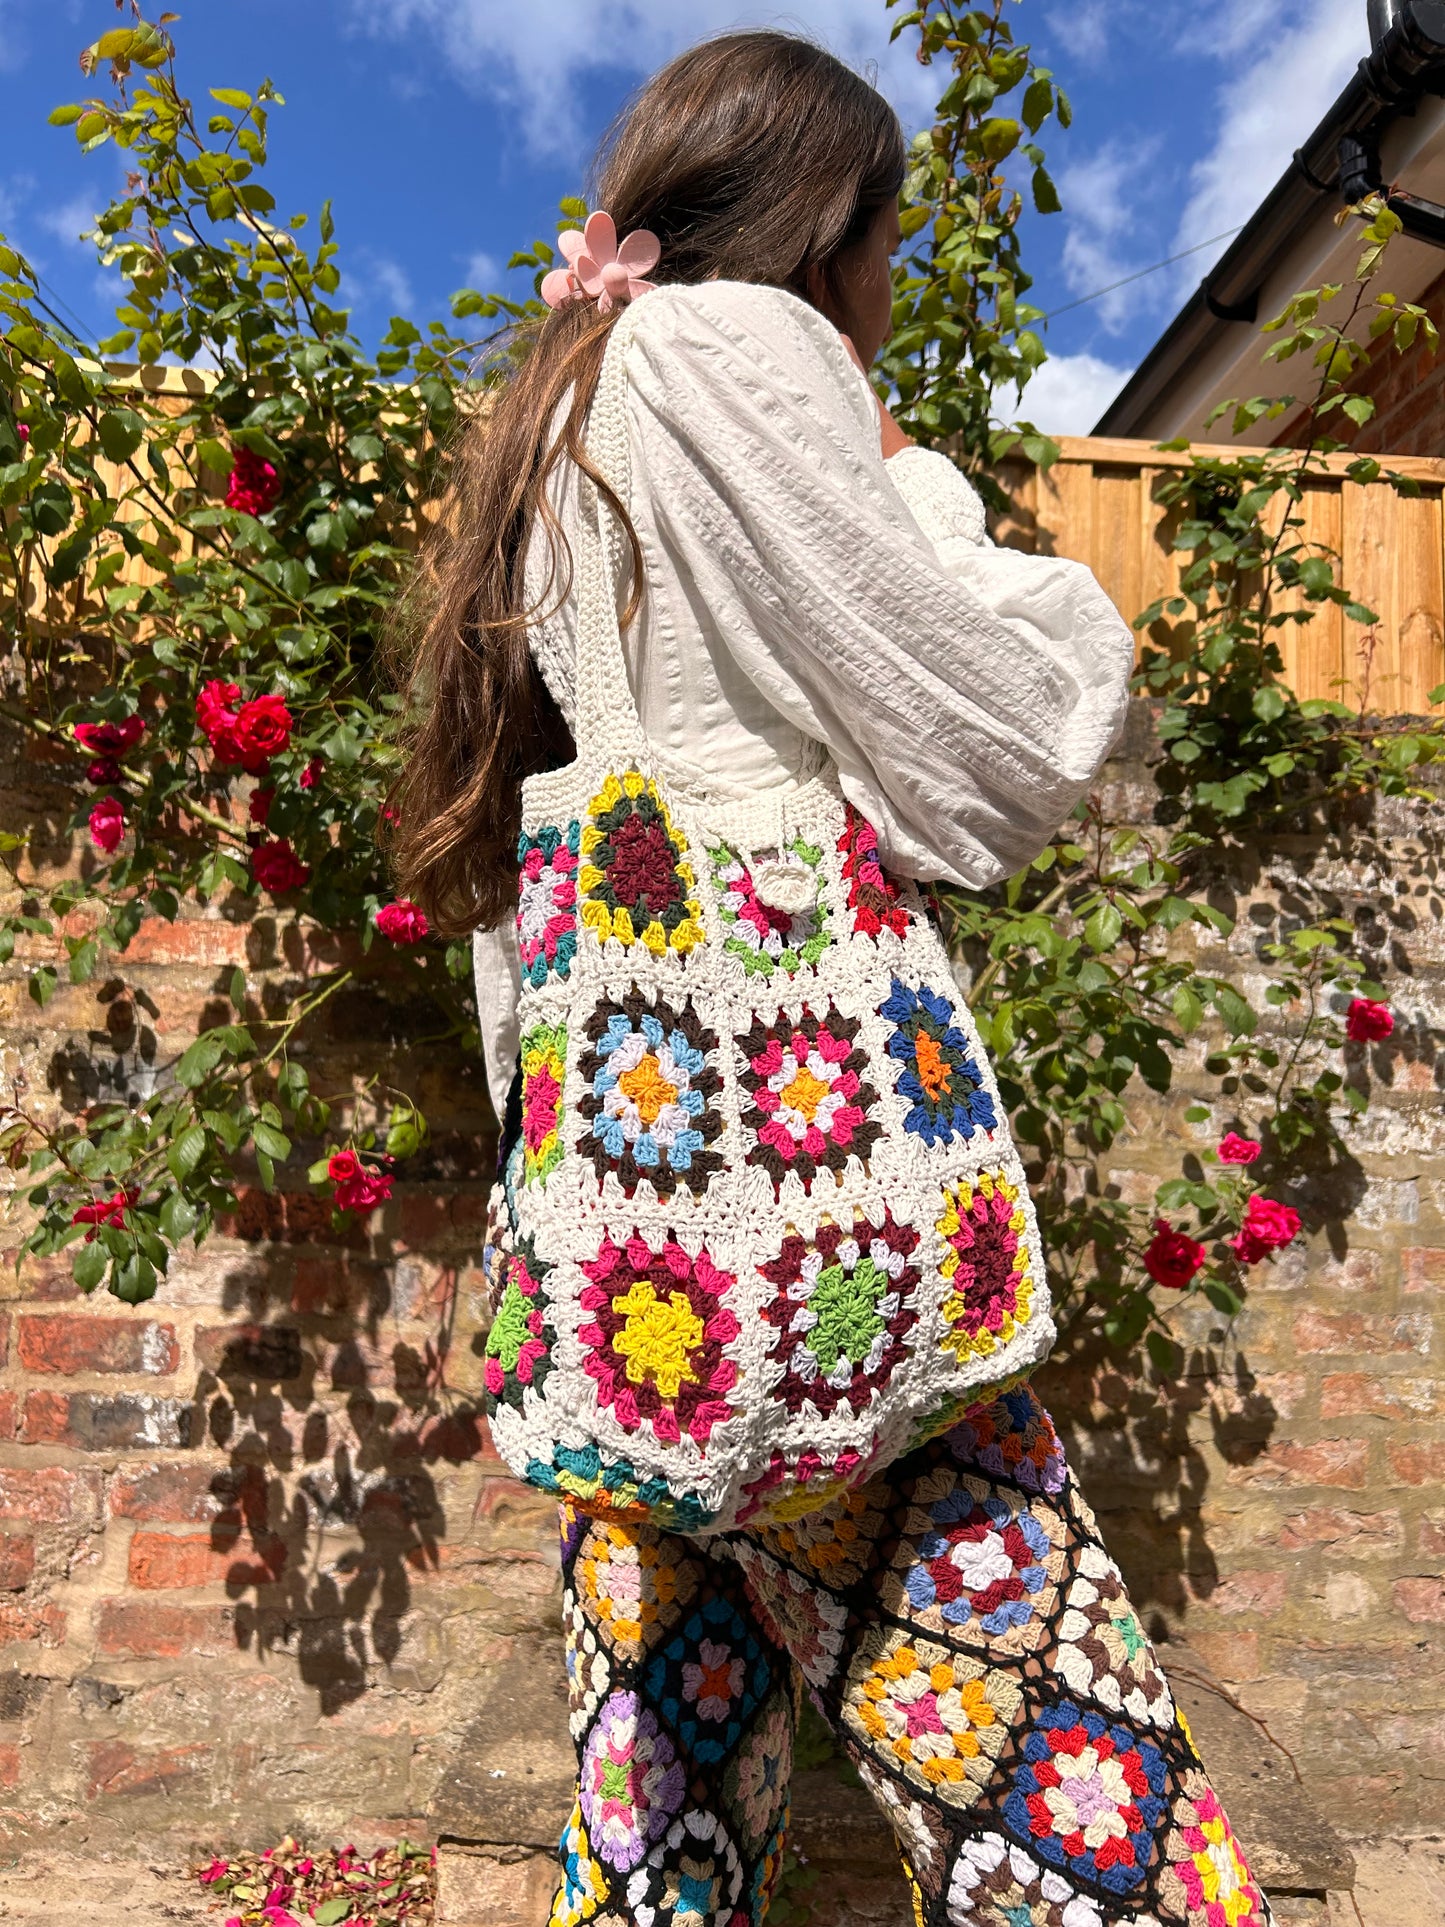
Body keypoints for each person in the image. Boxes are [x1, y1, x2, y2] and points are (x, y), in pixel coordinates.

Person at [391, 30, 1272, 1927]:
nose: (889, 286)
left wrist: (569, 1184)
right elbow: (1005, 722)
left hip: (627, 1221)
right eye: (885, 239)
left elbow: (536, 866)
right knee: (1057, 1756)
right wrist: (905, 470)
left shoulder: (553, 413)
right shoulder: (732, 351)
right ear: (823, 227)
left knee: (661, 1817)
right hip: (815, 1216)